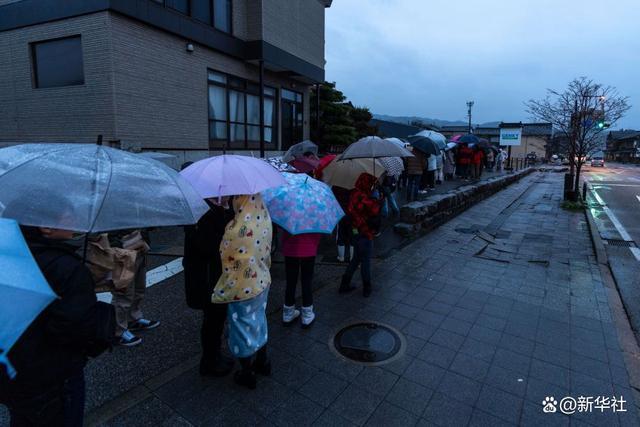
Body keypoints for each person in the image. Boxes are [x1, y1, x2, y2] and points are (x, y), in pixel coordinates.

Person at [1, 221, 114, 426]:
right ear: (46, 227)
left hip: (14, 373)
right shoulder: (66, 267)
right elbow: (76, 329)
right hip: (56, 377)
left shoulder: (9, 254)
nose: (74, 220)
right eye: (66, 215)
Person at [213, 194, 273, 390]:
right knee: (259, 320)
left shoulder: (236, 228)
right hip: (262, 281)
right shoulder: (264, 217)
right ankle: (263, 361)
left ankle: (247, 372)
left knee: (241, 328)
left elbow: (225, 252)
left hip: (242, 287)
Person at [183, 197, 235, 377]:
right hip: (206, 278)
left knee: (216, 318)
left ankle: (215, 356)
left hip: (212, 276)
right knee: (212, 319)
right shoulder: (202, 213)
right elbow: (209, 246)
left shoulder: (211, 209)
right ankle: (209, 362)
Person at [109, 229, 159, 347]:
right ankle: (118, 330)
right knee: (123, 294)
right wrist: (117, 247)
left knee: (139, 288)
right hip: (122, 250)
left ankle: (132, 319)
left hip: (139, 245)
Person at [339, 173, 382, 297]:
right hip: (365, 232)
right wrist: (377, 198)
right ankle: (367, 287)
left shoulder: (354, 194)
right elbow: (374, 210)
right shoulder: (365, 197)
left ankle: (344, 284)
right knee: (365, 260)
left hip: (355, 230)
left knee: (356, 259)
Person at [281, 230, 322, 328]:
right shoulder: (314, 213)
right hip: (309, 246)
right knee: (306, 280)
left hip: (290, 246)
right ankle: (307, 315)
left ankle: (288, 313)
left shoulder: (288, 213)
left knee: (290, 281)